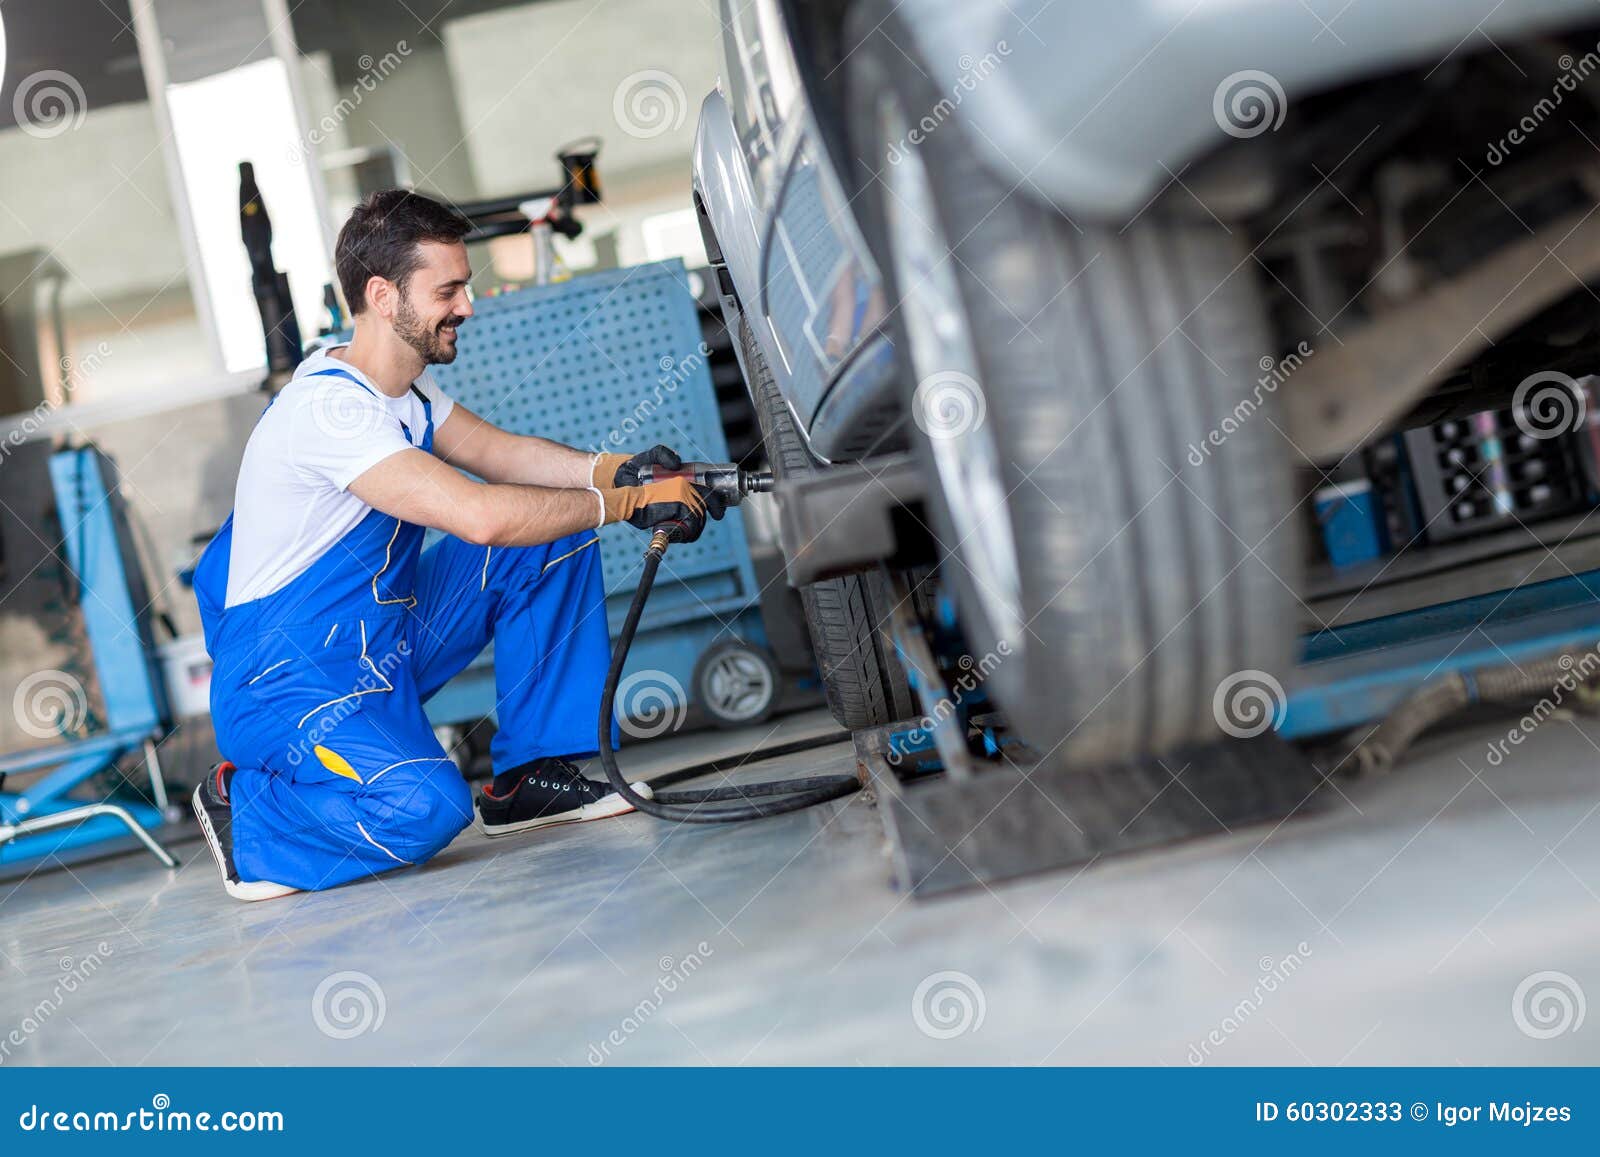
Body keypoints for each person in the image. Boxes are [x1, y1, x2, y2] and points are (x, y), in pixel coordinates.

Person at [189, 189, 723, 901]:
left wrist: (619, 471)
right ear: (383, 296)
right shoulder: (329, 410)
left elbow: (500, 455)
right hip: (292, 683)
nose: (467, 305)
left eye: (463, 287)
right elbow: (479, 516)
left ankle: (532, 776)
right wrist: (623, 503)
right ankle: (248, 814)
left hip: (378, 647)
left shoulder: (404, 394)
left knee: (549, 540)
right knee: (425, 808)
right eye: (449, 289)